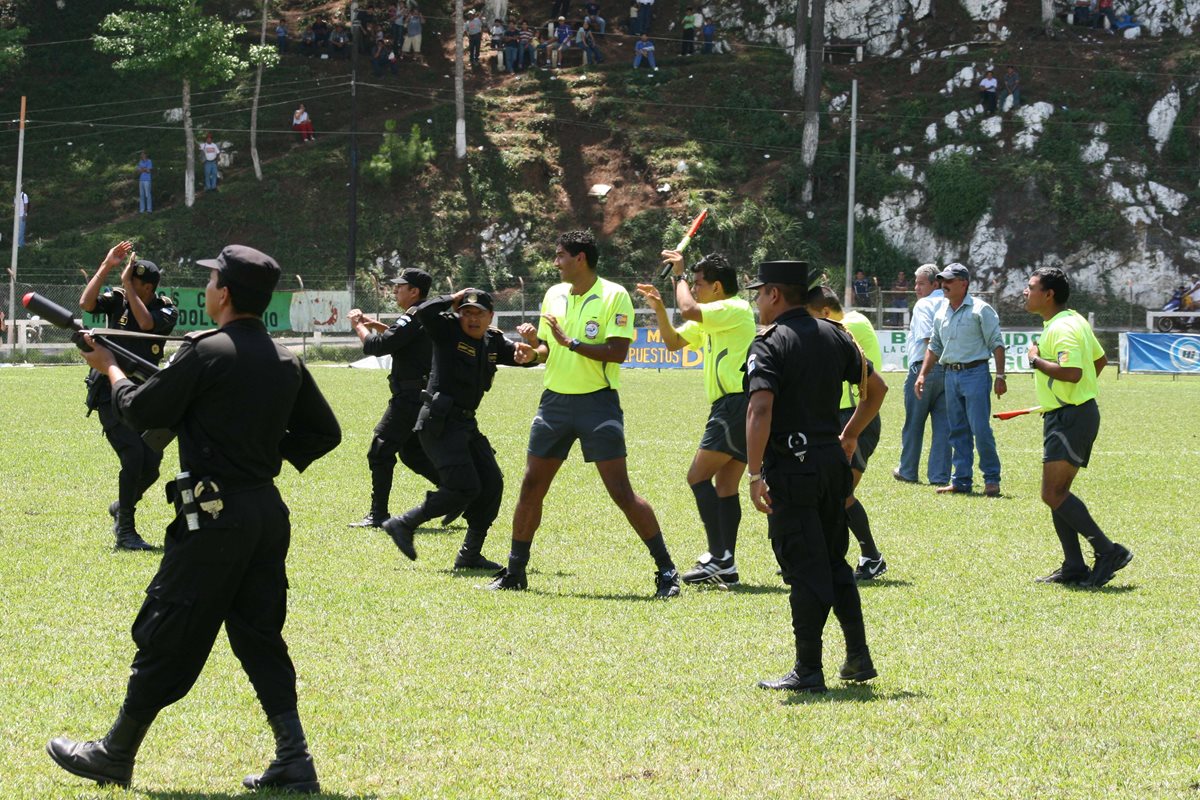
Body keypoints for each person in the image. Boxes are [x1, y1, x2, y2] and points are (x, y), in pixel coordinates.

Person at [49, 245, 341, 792]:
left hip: (213, 516)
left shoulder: (205, 352)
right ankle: (294, 759)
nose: (206, 290)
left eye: (211, 283)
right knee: (260, 636)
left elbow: (140, 410)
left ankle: (115, 753)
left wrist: (108, 366)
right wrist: (257, 454)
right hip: (265, 512)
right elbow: (325, 434)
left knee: (168, 629)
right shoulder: (284, 359)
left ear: (225, 294)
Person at [493, 230, 681, 598]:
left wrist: (572, 344)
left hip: (597, 403)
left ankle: (667, 571)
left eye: (561, 255)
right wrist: (533, 351)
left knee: (621, 492)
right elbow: (549, 349)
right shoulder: (553, 294)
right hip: (554, 403)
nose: (555, 262)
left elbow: (618, 351)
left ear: (581, 258)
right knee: (532, 486)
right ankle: (515, 572)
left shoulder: (614, 296)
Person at [744, 261, 886, 693]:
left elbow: (761, 408)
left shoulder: (769, 343)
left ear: (773, 294)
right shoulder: (836, 334)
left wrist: (753, 474)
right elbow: (876, 390)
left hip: (792, 467)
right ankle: (858, 656)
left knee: (804, 568)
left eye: (759, 293)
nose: (756, 302)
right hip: (830, 465)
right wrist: (849, 434)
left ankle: (808, 669)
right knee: (832, 561)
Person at [382, 290, 536, 569]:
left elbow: (528, 357)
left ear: (491, 317)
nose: (473, 319)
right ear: (458, 313)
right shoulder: (447, 332)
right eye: (467, 312)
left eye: (479, 314)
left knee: (491, 483)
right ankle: (403, 523)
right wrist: (452, 296)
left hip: (466, 424)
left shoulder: (492, 341)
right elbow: (423, 311)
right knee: (463, 487)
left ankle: (469, 555)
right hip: (439, 422)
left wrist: (532, 348)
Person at [635, 250, 755, 586]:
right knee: (725, 485)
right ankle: (726, 565)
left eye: (699, 284)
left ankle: (719, 557)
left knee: (697, 477)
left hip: (734, 404)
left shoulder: (733, 308)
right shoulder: (715, 318)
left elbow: (688, 308)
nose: (695, 289)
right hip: (734, 407)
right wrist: (660, 308)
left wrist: (679, 274)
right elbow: (673, 342)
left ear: (717, 287)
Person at [1024, 267, 1132, 587]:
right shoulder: (1073, 320)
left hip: (1070, 417)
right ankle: (1073, 565)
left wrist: (1034, 359)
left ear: (1049, 294)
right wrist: (1080, 393)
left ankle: (1108, 550)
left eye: (1030, 287)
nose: (1024, 292)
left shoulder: (1063, 327)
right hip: (1070, 414)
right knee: (1058, 493)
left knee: (1052, 493)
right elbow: (1099, 361)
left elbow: (1072, 372)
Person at [79, 241, 179, 551]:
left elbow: (147, 324)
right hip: (108, 390)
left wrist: (127, 288)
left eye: (133, 282)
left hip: (142, 392)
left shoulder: (165, 308)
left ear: (147, 287)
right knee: (134, 455)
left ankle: (122, 507)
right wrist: (107, 266)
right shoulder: (120, 299)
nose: (125, 284)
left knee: (151, 461)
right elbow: (86, 304)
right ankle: (126, 532)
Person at [806, 287, 889, 581]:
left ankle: (871, 557)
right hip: (841, 417)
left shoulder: (848, 325)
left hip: (856, 418)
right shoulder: (849, 323)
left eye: (811, 319)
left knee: (840, 493)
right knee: (831, 493)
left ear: (825, 313)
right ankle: (828, 557)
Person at [347, 269, 440, 529]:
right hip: (419, 394)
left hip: (410, 397)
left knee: (380, 449)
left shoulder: (413, 315)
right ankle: (458, 494)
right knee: (411, 453)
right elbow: (402, 340)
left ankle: (378, 515)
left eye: (401, 286)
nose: (396, 290)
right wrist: (375, 325)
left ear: (415, 291)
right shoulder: (422, 314)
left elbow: (377, 346)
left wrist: (358, 325)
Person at [915, 263, 1005, 497]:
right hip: (950, 375)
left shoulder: (981, 309)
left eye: (949, 280)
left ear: (963, 283)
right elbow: (934, 346)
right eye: (941, 280)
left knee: (980, 429)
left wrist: (1001, 376)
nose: (943, 284)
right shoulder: (941, 312)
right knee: (956, 430)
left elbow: (996, 343)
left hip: (975, 374)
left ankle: (991, 479)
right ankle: (961, 480)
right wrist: (923, 373)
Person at [894, 263, 950, 486]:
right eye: (915, 283)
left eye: (921, 283)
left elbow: (929, 339)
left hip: (923, 369)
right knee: (944, 428)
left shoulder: (923, 305)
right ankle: (939, 475)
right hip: (949, 370)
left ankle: (908, 470)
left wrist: (924, 371)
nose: (916, 288)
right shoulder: (950, 302)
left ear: (935, 283)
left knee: (914, 424)